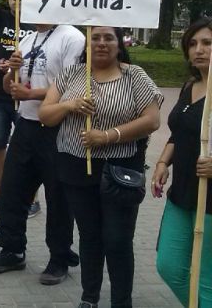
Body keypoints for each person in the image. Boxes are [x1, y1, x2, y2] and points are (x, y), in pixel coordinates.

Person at [39, 26, 162, 308]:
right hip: (76, 167)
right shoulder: (71, 74)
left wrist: (107, 136)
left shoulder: (134, 76)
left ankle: (121, 301)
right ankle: (89, 297)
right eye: (96, 37)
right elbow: (45, 115)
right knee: (90, 235)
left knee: (118, 239)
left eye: (109, 38)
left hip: (121, 170)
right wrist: (69, 105)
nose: (102, 43)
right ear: (87, 43)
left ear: (119, 44)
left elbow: (152, 120)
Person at [0, 23, 85, 284]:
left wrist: (31, 94)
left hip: (58, 127)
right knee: (12, 190)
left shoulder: (72, 37)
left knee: (58, 197)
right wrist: (11, 73)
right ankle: (12, 249)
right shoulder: (28, 39)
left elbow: (73, 85)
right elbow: (9, 86)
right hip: (26, 123)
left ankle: (59, 257)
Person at [153, 18, 212, 307]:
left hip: (210, 200)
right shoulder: (190, 86)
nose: (199, 49)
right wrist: (163, 162)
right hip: (182, 193)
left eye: (207, 43)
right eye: (192, 44)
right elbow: (179, 132)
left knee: (206, 280)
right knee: (169, 266)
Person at [0, 0, 37, 214]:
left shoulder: (37, 24)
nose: (17, 1)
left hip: (27, 97)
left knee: (29, 149)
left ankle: (30, 198)